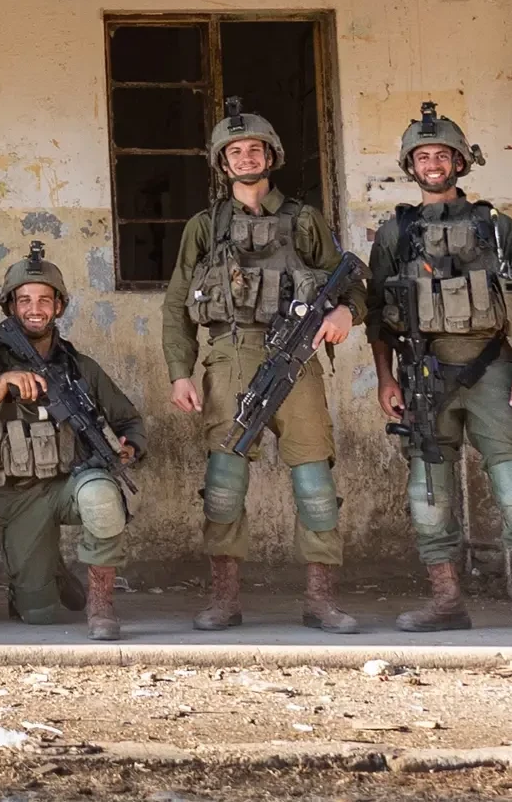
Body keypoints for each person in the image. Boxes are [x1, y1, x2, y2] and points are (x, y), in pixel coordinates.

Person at [367, 101, 512, 641]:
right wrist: (386, 378)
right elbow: (377, 318)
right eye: (423, 156)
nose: (433, 164)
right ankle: (446, 602)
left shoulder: (496, 227)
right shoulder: (394, 233)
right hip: (423, 376)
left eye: (443, 155)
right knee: (429, 493)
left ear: (460, 162)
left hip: (493, 370)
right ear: (410, 166)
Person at [162, 100, 366, 633]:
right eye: (235, 151)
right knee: (224, 482)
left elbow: (351, 283)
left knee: (314, 481)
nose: (246, 158)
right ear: (222, 162)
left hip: (297, 360)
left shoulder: (304, 220)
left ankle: (320, 601)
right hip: (229, 356)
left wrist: (346, 312)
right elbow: (177, 303)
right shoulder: (204, 227)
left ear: (270, 156)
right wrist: (180, 372)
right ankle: (225, 600)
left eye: (255, 149)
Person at [0, 243, 145, 640]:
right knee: (37, 615)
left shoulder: (80, 368)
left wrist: (130, 447)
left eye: (44, 300)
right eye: (24, 300)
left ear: (58, 306)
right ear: (10, 306)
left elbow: (129, 420)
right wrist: (0, 385)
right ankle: (47, 570)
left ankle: (101, 605)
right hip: (20, 495)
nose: (34, 309)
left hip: (74, 481)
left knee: (102, 497)